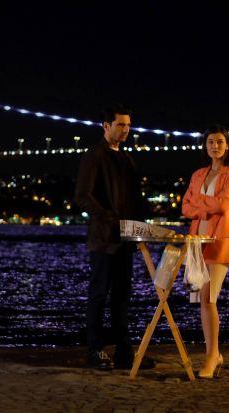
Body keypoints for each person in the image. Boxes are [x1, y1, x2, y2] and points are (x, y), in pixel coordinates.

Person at [74, 104, 154, 371]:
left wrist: (140, 229)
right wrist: (108, 217)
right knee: (98, 294)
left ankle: (124, 353)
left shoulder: (127, 159)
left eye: (128, 125)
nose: (126, 129)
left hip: (126, 238)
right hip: (103, 239)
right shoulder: (94, 156)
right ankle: (95, 350)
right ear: (106, 126)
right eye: (120, 124)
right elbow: (82, 196)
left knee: (122, 297)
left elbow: (135, 199)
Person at [181, 124, 229, 379]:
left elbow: (224, 204)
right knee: (203, 301)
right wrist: (205, 206)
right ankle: (214, 354)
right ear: (205, 146)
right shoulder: (198, 174)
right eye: (210, 142)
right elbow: (185, 207)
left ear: (227, 145)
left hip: (220, 241)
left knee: (208, 298)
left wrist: (199, 204)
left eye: (219, 142)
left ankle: (211, 357)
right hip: (197, 241)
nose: (215, 146)